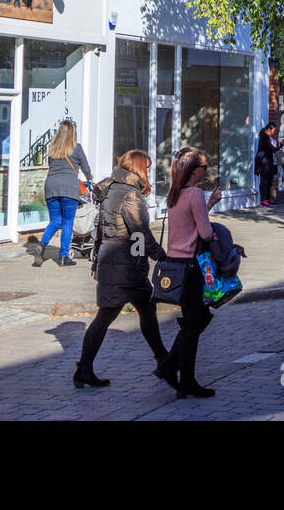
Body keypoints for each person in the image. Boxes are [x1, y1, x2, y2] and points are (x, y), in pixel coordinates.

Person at [74, 150, 169, 388]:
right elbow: (140, 233)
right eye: (146, 168)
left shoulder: (110, 189)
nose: (148, 172)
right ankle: (164, 361)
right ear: (137, 168)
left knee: (134, 311)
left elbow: (100, 230)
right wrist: (161, 256)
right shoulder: (130, 195)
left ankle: (162, 359)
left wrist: (97, 261)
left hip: (113, 259)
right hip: (125, 263)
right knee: (116, 314)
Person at [158, 146, 222, 398]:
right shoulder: (195, 193)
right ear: (194, 170)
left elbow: (188, 222)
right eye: (204, 167)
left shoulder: (176, 193)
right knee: (196, 322)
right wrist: (217, 235)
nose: (206, 171)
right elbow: (204, 232)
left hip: (176, 265)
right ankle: (172, 369)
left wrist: (209, 204)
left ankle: (183, 377)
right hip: (193, 267)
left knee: (195, 320)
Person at [34, 119, 94, 267]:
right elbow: (86, 169)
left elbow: (52, 167)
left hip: (51, 186)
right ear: (73, 133)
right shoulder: (77, 148)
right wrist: (90, 178)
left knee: (55, 221)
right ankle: (63, 257)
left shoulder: (52, 149)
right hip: (69, 187)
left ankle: (41, 245)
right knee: (67, 222)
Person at [254, 122, 283, 207]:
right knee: (264, 182)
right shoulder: (264, 137)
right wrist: (280, 146)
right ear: (269, 129)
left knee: (270, 181)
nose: (274, 132)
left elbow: (273, 147)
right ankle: (263, 200)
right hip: (264, 163)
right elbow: (271, 149)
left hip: (271, 163)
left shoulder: (270, 138)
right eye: (274, 130)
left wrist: (279, 145)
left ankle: (268, 199)